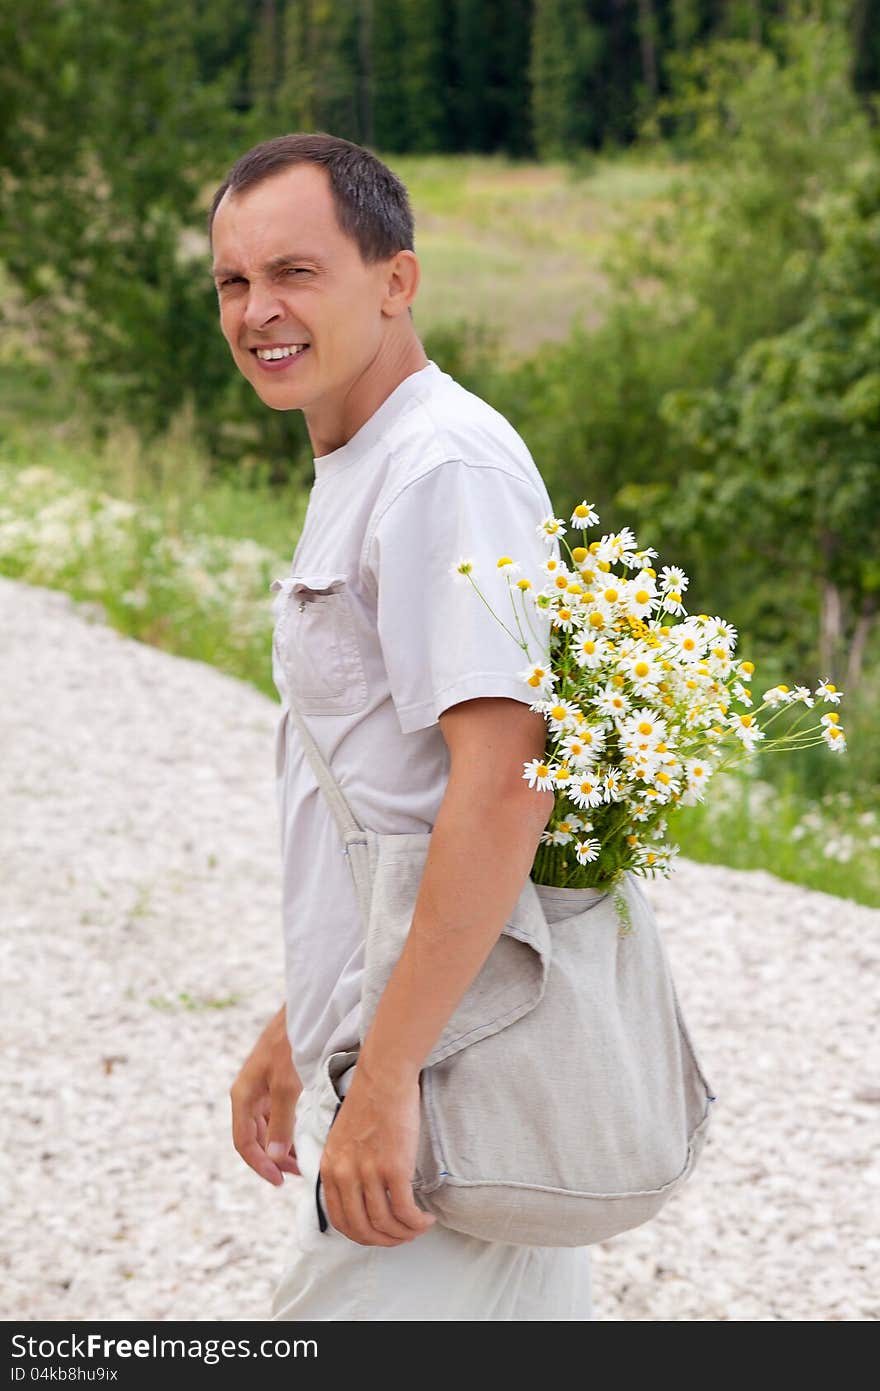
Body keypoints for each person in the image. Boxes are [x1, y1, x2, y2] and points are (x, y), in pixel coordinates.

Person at [209, 132, 594, 1320]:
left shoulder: (439, 467)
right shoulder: (369, 457)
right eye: (233, 281)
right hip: (418, 1046)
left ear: (396, 280)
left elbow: (504, 780)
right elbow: (388, 792)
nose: (257, 310)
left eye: (295, 272)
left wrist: (381, 1078)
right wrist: (303, 1016)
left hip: (445, 1070)